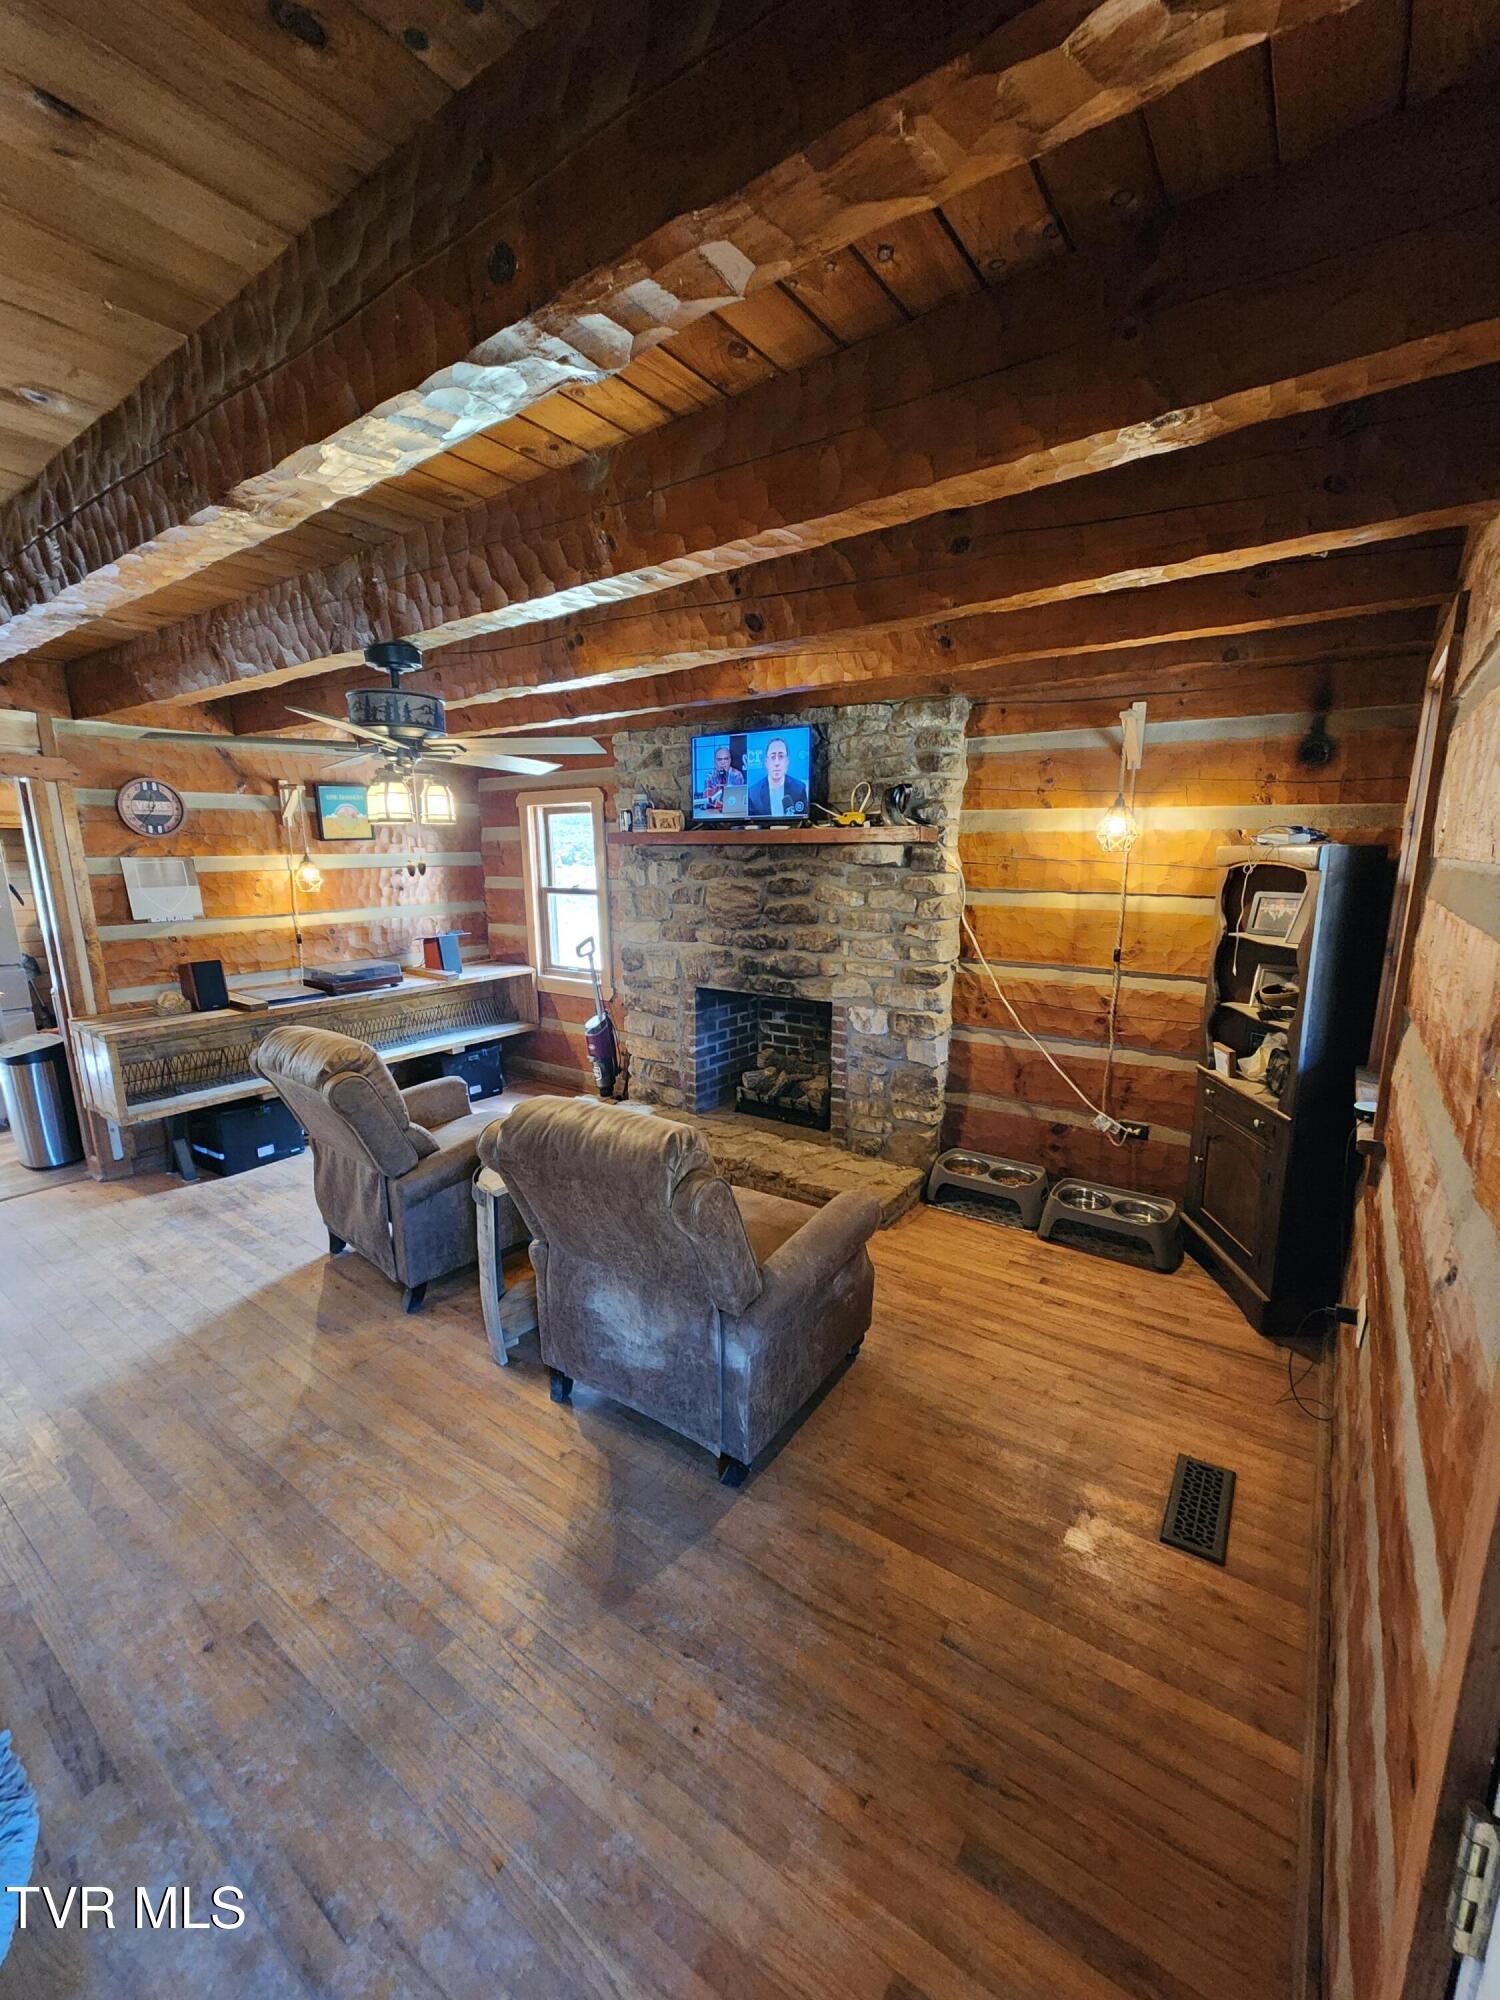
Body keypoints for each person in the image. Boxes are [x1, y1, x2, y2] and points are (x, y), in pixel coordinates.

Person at [747, 736, 807, 818]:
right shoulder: (753, 793)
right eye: (772, 757)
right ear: (766, 762)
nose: (776, 763)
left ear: (787, 762)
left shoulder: (799, 789)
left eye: (781, 756)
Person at [700, 740, 745, 813]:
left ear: (730, 760)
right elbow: (708, 801)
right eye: (719, 759)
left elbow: (740, 800)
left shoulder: (737, 775)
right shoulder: (710, 777)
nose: (723, 762)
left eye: (726, 759)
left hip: (734, 812)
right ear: (715, 762)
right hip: (714, 813)